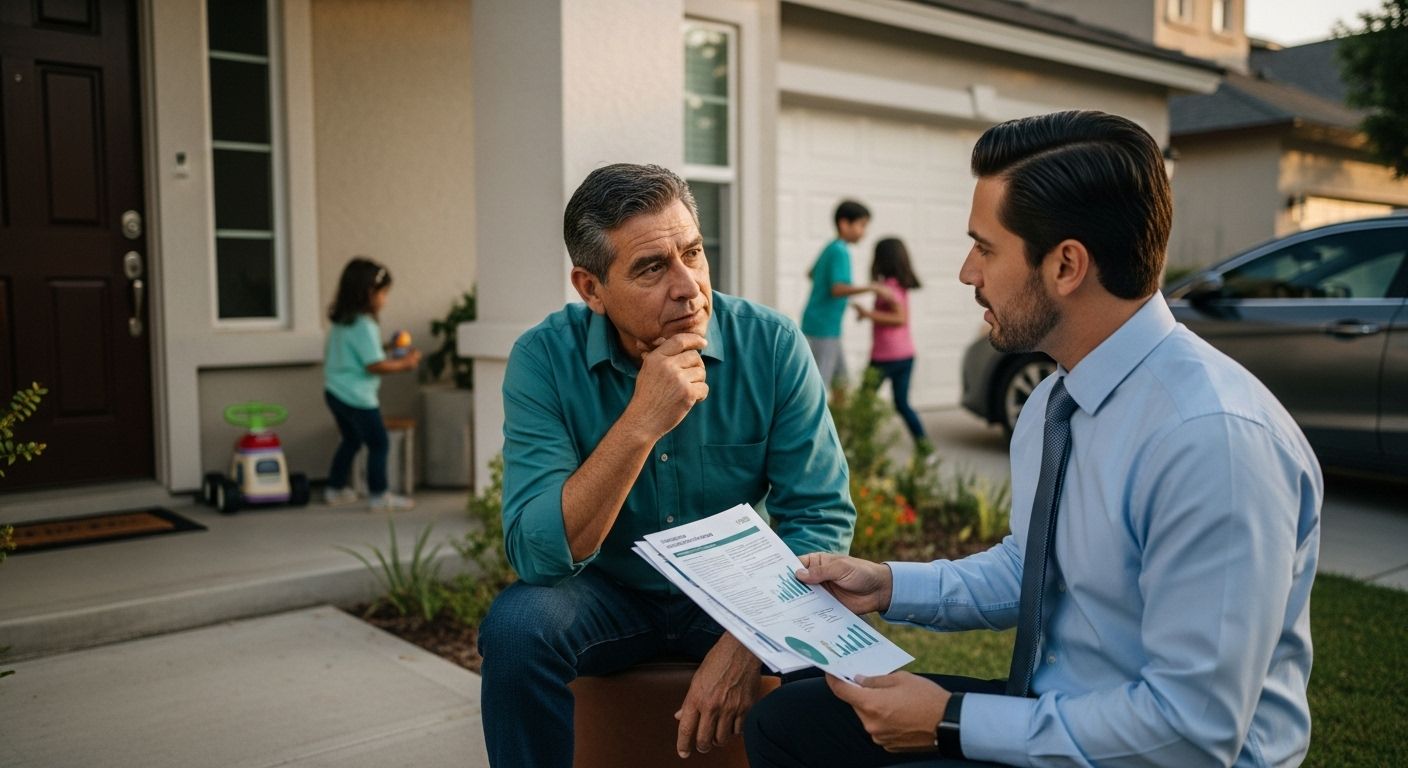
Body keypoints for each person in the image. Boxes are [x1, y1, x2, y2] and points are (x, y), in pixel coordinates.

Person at [746, 110, 1322, 767]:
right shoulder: (1054, 400)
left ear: (1066, 265)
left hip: (1156, 751)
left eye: (985, 248)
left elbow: (1191, 732)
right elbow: (1035, 566)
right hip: (1057, 710)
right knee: (791, 719)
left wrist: (951, 721)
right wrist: (886, 585)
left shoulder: (1212, 443)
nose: (967, 272)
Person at [477, 163, 856, 768]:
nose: (689, 287)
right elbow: (539, 553)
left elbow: (817, 514)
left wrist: (746, 640)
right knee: (518, 630)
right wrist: (641, 421)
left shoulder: (772, 345)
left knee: (825, 645)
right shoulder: (543, 359)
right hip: (608, 592)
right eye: (652, 268)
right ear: (591, 289)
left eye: (694, 253)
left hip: (740, 588)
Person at [322, 257, 421, 511]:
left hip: (335, 392)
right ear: (369, 293)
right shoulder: (364, 326)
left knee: (351, 439)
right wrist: (406, 363)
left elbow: (360, 354)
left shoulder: (344, 321)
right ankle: (379, 495)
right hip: (358, 397)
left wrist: (388, 346)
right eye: (384, 293)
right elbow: (374, 364)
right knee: (379, 442)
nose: (385, 299)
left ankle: (334, 489)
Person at [800, 199, 891, 393]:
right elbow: (838, 289)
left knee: (841, 382)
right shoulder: (840, 251)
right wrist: (873, 288)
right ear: (844, 224)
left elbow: (811, 273)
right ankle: (818, 423)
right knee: (819, 385)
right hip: (823, 328)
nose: (864, 232)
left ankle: (840, 423)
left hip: (824, 325)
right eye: (861, 225)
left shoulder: (830, 247)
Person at [853, 237, 929, 448]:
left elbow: (900, 318)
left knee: (864, 403)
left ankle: (858, 446)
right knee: (902, 404)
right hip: (905, 355)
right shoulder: (899, 285)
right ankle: (925, 448)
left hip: (885, 357)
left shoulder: (887, 288)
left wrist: (868, 313)